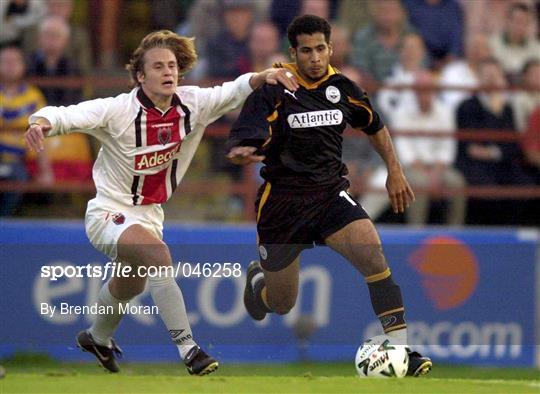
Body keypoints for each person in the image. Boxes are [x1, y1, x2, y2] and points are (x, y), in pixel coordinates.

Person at [24, 30, 297, 376]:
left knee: (132, 282)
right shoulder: (117, 110)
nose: (168, 72)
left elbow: (233, 91)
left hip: (150, 214)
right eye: (158, 66)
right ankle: (189, 349)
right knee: (158, 255)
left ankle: (96, 337)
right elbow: (67, 114)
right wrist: (41, 122)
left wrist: (264, 76)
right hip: (108, 211)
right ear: (141, 75)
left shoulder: (192, 103)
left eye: (172, 65)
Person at [226, 15, 432, 377]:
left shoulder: (344, 87)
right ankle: (259, 284)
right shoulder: (275, 87)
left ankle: (401, 352)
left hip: (329, 196)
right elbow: (249, 131)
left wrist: (395, 172)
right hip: (283, 205)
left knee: (373, 252)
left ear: (330, 48)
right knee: (283, 303)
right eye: (306, 51)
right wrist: (246, 146)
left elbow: (375, 125)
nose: (315, 57)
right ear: (294, 52)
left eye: (321, 49)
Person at [0, 46, 51, 216]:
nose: (10, 66)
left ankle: (5, 223)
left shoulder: (33, 96)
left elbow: (42, 134)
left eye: (15, 61)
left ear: (23, 66)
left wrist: (45, 171)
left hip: (18, 162)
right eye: (6, 61)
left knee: (18, 177)